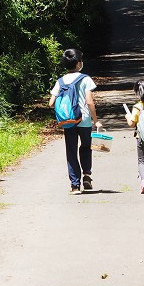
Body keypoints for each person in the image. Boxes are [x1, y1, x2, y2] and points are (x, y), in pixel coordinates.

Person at [49, 48, 103, 194]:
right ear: (79, 63)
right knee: (86, 147)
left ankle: (75, 185)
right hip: (84, 120)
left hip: (68, 121)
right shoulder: (86, 79)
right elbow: (90, 101)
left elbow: (51, 103)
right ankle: (86, 175)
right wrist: (95, 120)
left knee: (71, 151)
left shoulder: (60, 81)